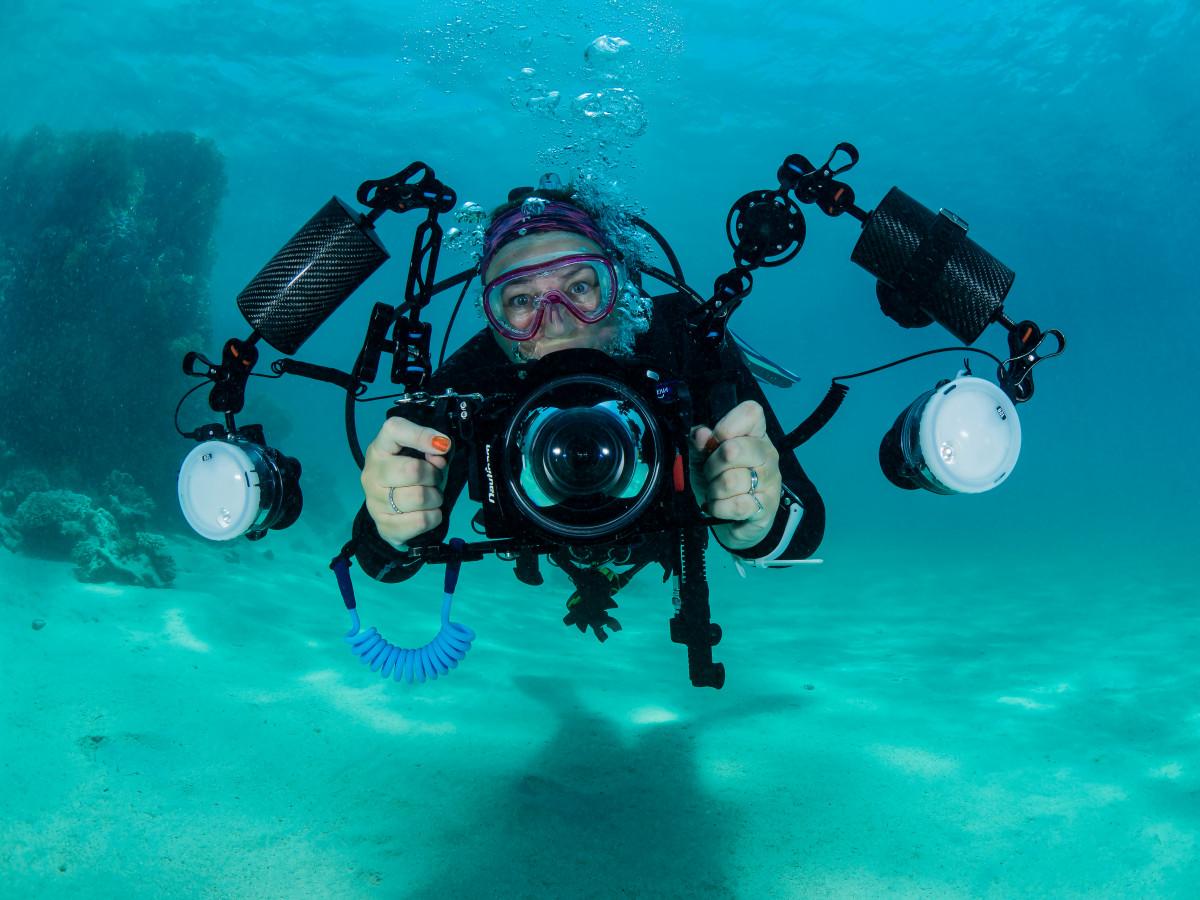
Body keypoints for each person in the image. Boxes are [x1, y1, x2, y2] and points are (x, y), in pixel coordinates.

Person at [351, 185, 823, 595]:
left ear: (617, 288)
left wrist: (756, 522)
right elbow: (381, 562)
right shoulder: (472, 380)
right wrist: (395, 523)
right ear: (492, 320)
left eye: (579, 287)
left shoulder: (683, 339)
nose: (555, 321)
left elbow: (800, 540)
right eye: (520, 300)